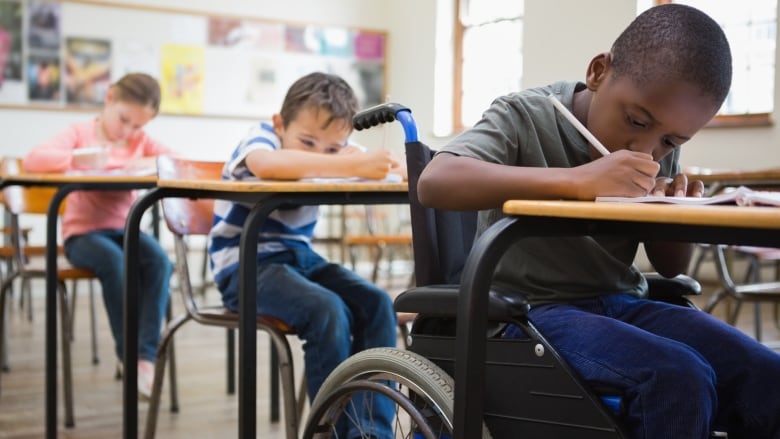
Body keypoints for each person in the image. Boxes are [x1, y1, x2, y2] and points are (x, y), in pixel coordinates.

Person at [417, 4, 780, 438]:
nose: (645, 147)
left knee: (767, 376)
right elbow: (436, 181)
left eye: (670, 140)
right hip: (526, 310)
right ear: (598, 71)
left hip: (621, 303)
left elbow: (669, 267)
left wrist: (674, 212)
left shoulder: (656, 153)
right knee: (676, 378)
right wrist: (576, 180)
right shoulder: (527, 115)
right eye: (636, 120)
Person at [207, 71, 401, 438]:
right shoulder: (261, 137)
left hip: (299, 258)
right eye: (306, 142)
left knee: (377, 303)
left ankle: (370, 433)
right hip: (244, 266)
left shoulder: (340, 151)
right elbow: (267, 165)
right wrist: (347, 163)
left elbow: (390, 168)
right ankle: (330, 432)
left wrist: (386, 164)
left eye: (331, 148)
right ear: (280, 123)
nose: (318, 155)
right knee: (326, 308)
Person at [22, 72, 173, 400]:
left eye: (138, 126)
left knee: (160, 262)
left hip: (125, 230)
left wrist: (132, 160)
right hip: (83, 236)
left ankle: (145, 358)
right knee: (116, 264)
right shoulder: (80, 133)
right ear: (109, 98)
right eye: (124, 120)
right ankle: (128, 355)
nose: (130, 131)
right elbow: (35, 159)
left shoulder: (139, 141)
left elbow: (173, 160)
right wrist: (82, 160)